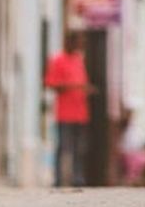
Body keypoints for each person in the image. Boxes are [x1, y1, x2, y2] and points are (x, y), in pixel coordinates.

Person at [44, 30, 92, 187]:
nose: (78, 46)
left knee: (80, 148)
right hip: (64, 113)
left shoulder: (79, 60)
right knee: (64, 148)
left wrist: (85, 89)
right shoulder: (58, 60)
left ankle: (77, 178)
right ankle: (58, 179)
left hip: (80, 113)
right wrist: (72, 86)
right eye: (76, 42)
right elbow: (50, 83)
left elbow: (83, 82)